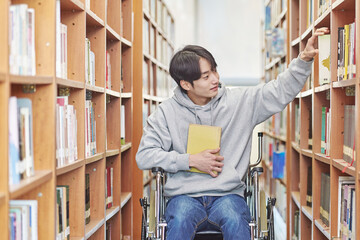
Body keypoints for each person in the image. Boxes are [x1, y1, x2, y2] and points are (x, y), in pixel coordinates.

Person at [136, 27, 329, 240]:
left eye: (215, 71)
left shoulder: (240, 102)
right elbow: (144, 156)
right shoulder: (166, 112)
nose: (215, 79)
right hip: (184, 196)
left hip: (227, 195)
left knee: (237, 220)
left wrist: (303, 60)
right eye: (206, 76)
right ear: (185, 84)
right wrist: (189, 160)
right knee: (180, 220)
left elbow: (279, 90)